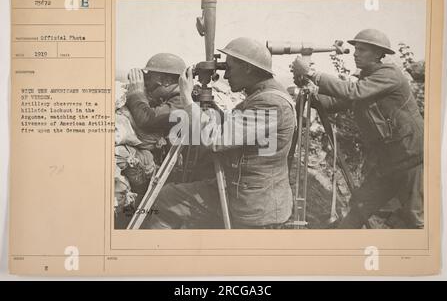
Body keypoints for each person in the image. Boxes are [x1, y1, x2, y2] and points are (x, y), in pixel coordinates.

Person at [141, 37, 297, 229]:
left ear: (248, 68)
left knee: (166, 198)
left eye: (230, 68)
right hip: (244, 189)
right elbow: (240, 129)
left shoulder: (270, 102)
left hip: (252, 204)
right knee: (170, 196)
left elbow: (216, 138)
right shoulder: (265, 94)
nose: (227, 75)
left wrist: (187, 99)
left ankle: (158, 254)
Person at [291, 28, 424, 229]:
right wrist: (310, 89)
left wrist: (311, 73)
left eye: (362, 50)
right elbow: (336, 102)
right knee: (360, 208)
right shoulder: (368, 79)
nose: (355, 53)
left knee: (414, 218)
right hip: (386, 162)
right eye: (356, 49)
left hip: (410, 159)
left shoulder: (389, 74)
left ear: (379, 54)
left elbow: (354, 93)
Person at [125, 53, 186, 135]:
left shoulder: (182, 103)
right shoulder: (171, 98)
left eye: (149, 77)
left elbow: (147, 120)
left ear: (167, 81)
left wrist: (136, 93)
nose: (146, 82)